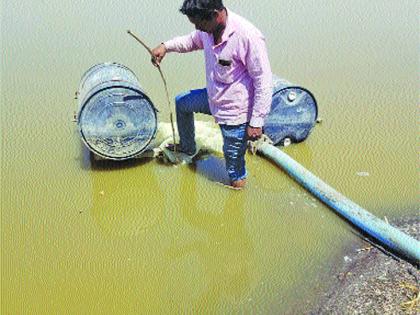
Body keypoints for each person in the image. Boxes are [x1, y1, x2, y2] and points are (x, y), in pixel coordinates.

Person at [151, 0, 272, 189]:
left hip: (235, 112)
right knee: (182, 102)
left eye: (199, 24)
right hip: (214, 98)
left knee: (234, 168)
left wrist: (256, 121)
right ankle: (188, 148)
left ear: (216, 15)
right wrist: (165, 46)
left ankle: (237, 200)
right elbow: (190, 41)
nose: (197, 28)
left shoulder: (247, 36)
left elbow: (263, 81)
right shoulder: (207, 31)